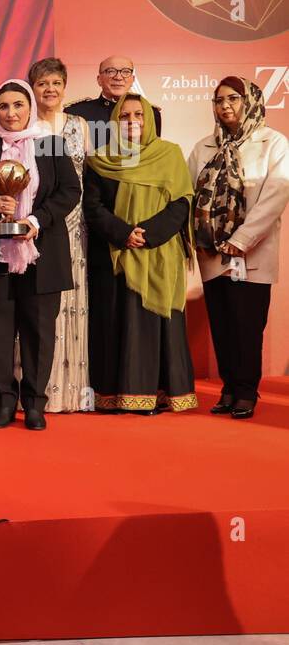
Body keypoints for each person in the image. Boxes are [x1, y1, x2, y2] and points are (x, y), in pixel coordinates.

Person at [0, 79, 80, 430]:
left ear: (30, 107)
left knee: (39, 332)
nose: (11, 113)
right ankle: (3, 401)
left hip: (41, 253)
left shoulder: (52, 145)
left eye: (17, 105)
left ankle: (34, 403)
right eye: (3, 106)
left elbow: (70, 191)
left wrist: (36, 220)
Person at [84, 94, 196, 414]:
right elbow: (93, 208)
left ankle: (161, 394)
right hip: (115, 255)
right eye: (124, 116)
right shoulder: (102, 159)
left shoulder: (169, 154)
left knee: (156, 324)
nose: (131, 121)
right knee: (118, 323)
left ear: (148, 120)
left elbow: (181, 203)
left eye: (138, 115)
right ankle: (118, 396)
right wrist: (123, 234)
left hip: (160, 254)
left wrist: (146, 235)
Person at [189, 77, 289, 420]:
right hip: (212, 255)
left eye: (234, 98)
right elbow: (191, 201)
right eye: (219, 100)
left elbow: (275, 197)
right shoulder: (203, 147)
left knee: (247, 325)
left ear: (250, 102)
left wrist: (241, 240)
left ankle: (247, 391)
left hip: (251, 253)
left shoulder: (273, 143)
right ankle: (229, 388)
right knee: (223, 324)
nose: (225, 105)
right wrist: (197, 243)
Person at [27, 57, 92, 413]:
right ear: (32, 89)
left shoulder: (82, 126)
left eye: (55, 82)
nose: (49, 89)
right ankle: (37, 390)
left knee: (72, 307)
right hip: (39, 226)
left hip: (75, 227)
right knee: (39, 310)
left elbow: (92, 174)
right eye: (42, 83)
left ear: (65, 87)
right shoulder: (27, 125)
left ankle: (71, 393)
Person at [66, 55, 163, 152]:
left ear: (133, 80)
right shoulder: (76, 113)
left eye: (126, 72)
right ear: (99, 80)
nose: (118, 77)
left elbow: (153, 155)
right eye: (111, 71)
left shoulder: (150, 113)